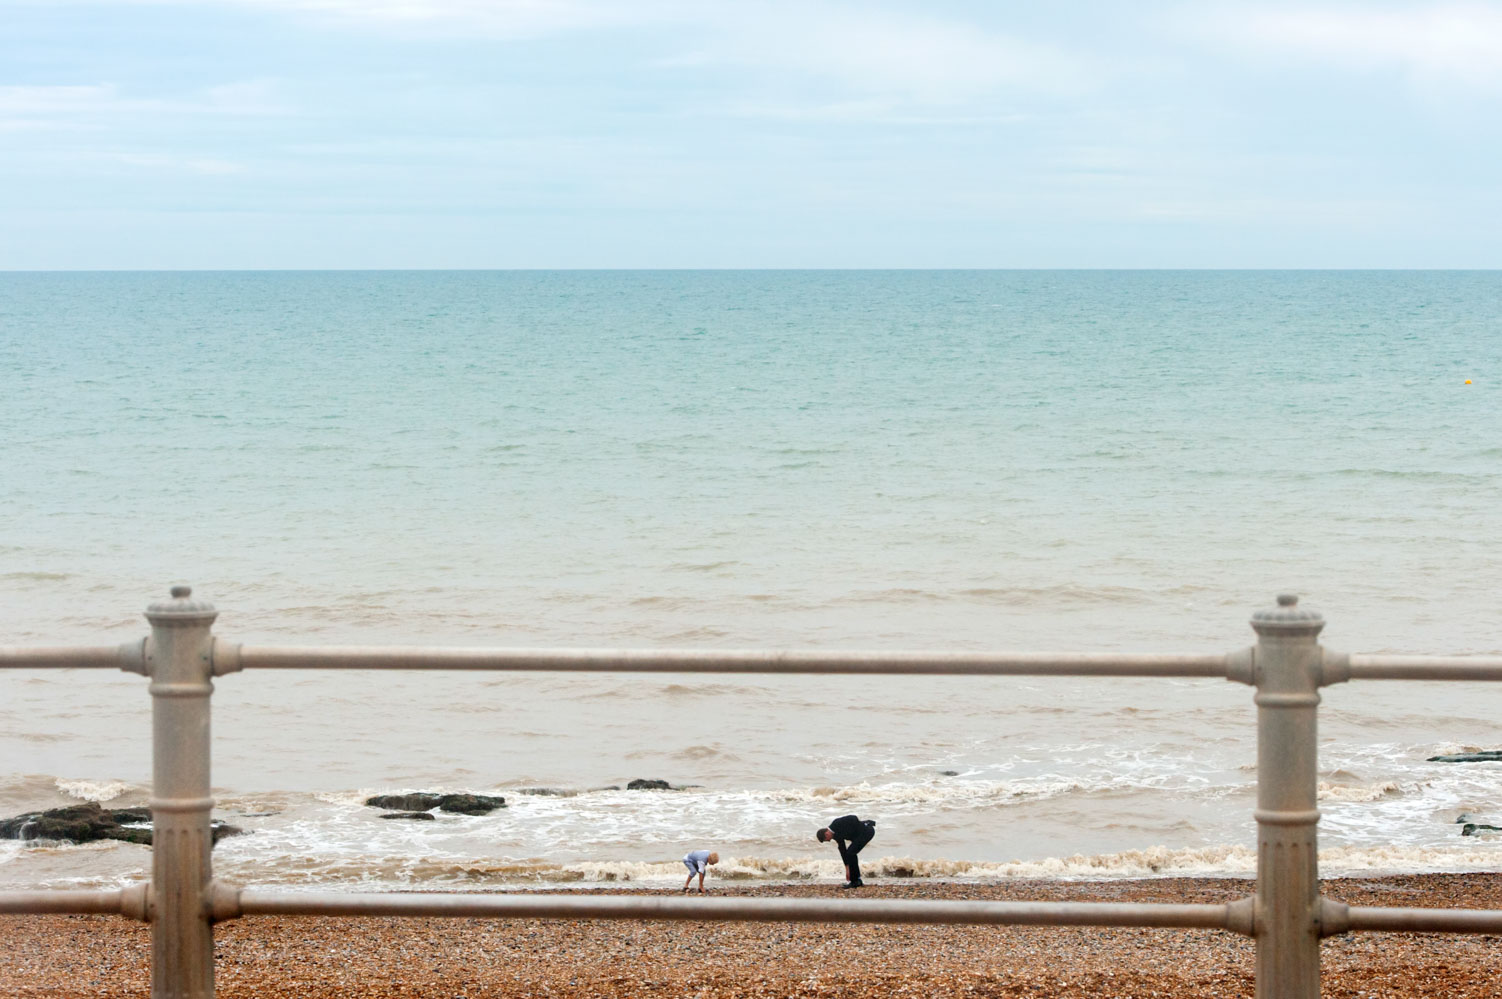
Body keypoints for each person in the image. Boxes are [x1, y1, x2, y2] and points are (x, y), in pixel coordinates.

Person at [816, 814, 875, 888]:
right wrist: (847, 867)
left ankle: (856, 881)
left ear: (826, 834)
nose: (829, 840)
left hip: (867, 831)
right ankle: (856, 880)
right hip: (860, 835)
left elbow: (853, 818)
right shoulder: (835, 835)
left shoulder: (836, 823)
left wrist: (859, 827)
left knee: (851, 853)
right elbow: (842, 849)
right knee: (850, 853)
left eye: (827, 840)